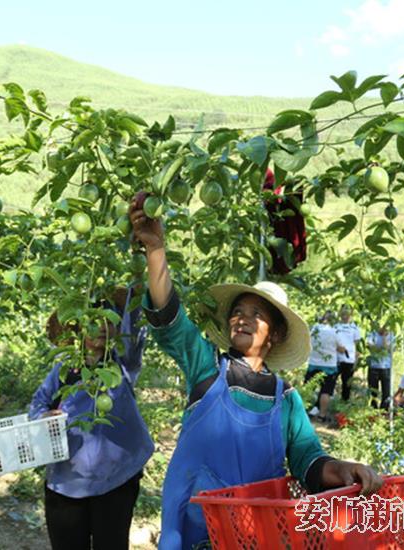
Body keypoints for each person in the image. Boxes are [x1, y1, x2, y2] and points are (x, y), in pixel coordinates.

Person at [129, 197, 382, 549]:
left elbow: (308, 460)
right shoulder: (208, 369)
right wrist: (155, 249)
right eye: (238, 311)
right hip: (191, 530)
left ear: (274, 334)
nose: (242, 318)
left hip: (252, 535)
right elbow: (172, 322)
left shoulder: (287, 401)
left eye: (256, 314)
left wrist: (342, 468)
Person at [28, 287, 153, 550]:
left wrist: (139, 269)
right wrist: (44, 416)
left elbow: (135, 326)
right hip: (66, 482)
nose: (104, 326)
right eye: (94, 320)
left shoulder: (122, 364)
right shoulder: (64, 369)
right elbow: (38, 404)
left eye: (110, 319)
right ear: (79, 329)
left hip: (115, 480)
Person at [304, 311, 342, 422]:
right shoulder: (334, 331)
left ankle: (302, 412)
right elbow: (340, 347)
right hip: (329, 366)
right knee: (326, 391)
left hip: (313, 364)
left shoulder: (314, 330)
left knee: (308, 389)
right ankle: (322, 415)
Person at [334, 305, 362, 401]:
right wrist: (337, 347)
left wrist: (356, 359)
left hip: (349, 359)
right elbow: (332, 340)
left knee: (346, 382)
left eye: (347, 314)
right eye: (343, 314)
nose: (345, 316)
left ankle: (344, 402)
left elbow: (356, 342)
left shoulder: (354, 328)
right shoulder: (336, 327)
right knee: (331, 379)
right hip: (336, 359)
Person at [366, 325, 395, 409]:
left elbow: (389, 349)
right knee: (372, 391)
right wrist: (382, 348)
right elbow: (371, 348)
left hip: (386, 367)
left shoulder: (391, 335)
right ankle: (373, 410)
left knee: (386, 392)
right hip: (373, 366)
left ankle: (384, 411)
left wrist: (385, 339)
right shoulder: (372, 334)